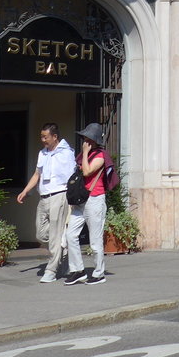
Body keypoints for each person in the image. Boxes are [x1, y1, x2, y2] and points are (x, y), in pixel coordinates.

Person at [17, 122, 74, 283]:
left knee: (55, 235)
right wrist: (26, 190)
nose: (43, 140)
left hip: (59, 195)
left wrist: (71, 202)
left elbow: (71, 178)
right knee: (41, 233)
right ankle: (61, 244)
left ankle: (51, 269)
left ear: (55, 137)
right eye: (41, 137)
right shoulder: (43, 153)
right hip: (44, 197)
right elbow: (37, 174)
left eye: (45, 137)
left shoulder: (66, 153)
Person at [64, 123, 108, 286]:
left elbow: (88, 171)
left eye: (88, 138)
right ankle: (78, 270)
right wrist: (84, 154)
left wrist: (85, 152)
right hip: (81, 200)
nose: (85, 140)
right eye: (84, 138)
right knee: (71, 235)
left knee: (95, 239)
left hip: (95, 199)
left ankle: (98, 272)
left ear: (94, 140)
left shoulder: (100, 156)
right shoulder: (85, 155)